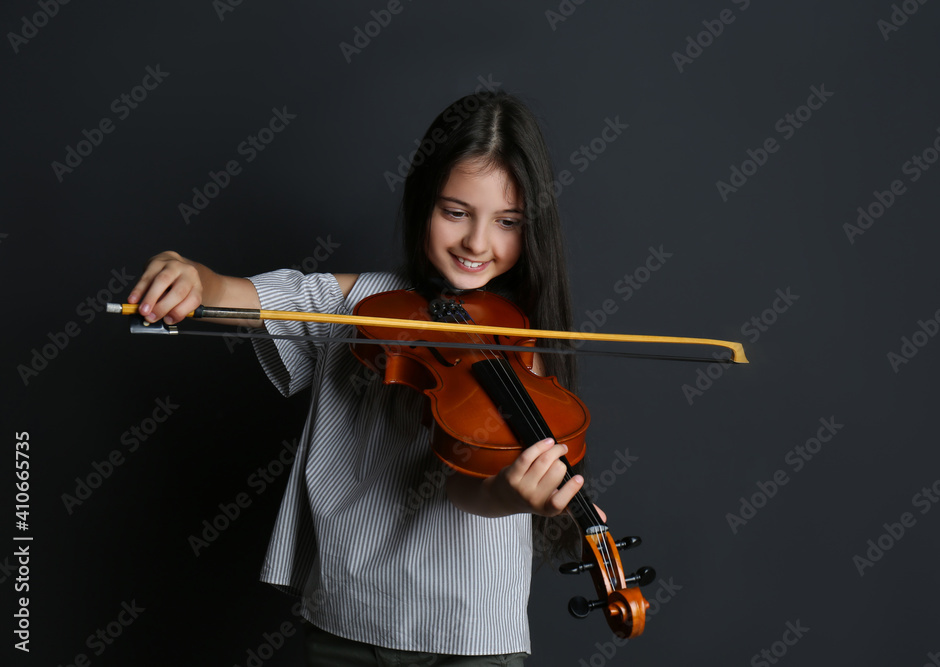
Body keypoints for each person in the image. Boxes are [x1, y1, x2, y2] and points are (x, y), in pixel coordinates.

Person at [129, 91, 593, 666]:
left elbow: (463, 485)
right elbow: (232, 292)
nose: (478, 243)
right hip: (350, 619)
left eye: (507, 223)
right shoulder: (356, 306)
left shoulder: (519, 344)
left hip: (472, 633)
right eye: (455, 212)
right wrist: (189, 272)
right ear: (423, 202)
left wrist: (506, 494)